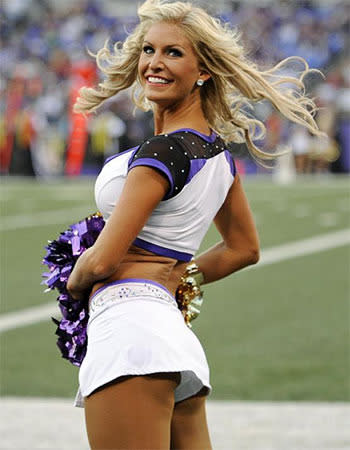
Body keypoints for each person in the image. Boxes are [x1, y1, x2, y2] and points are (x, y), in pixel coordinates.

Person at [66, 0, 322, 448]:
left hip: (130, 336)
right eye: (148, 50)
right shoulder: (217, 154)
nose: (154, 63)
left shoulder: (160, 153)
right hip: (171, 336)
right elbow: (244, 248)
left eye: (173, 53)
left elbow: (104, 260)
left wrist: (73, 279)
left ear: (203, 70)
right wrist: (176, 279)